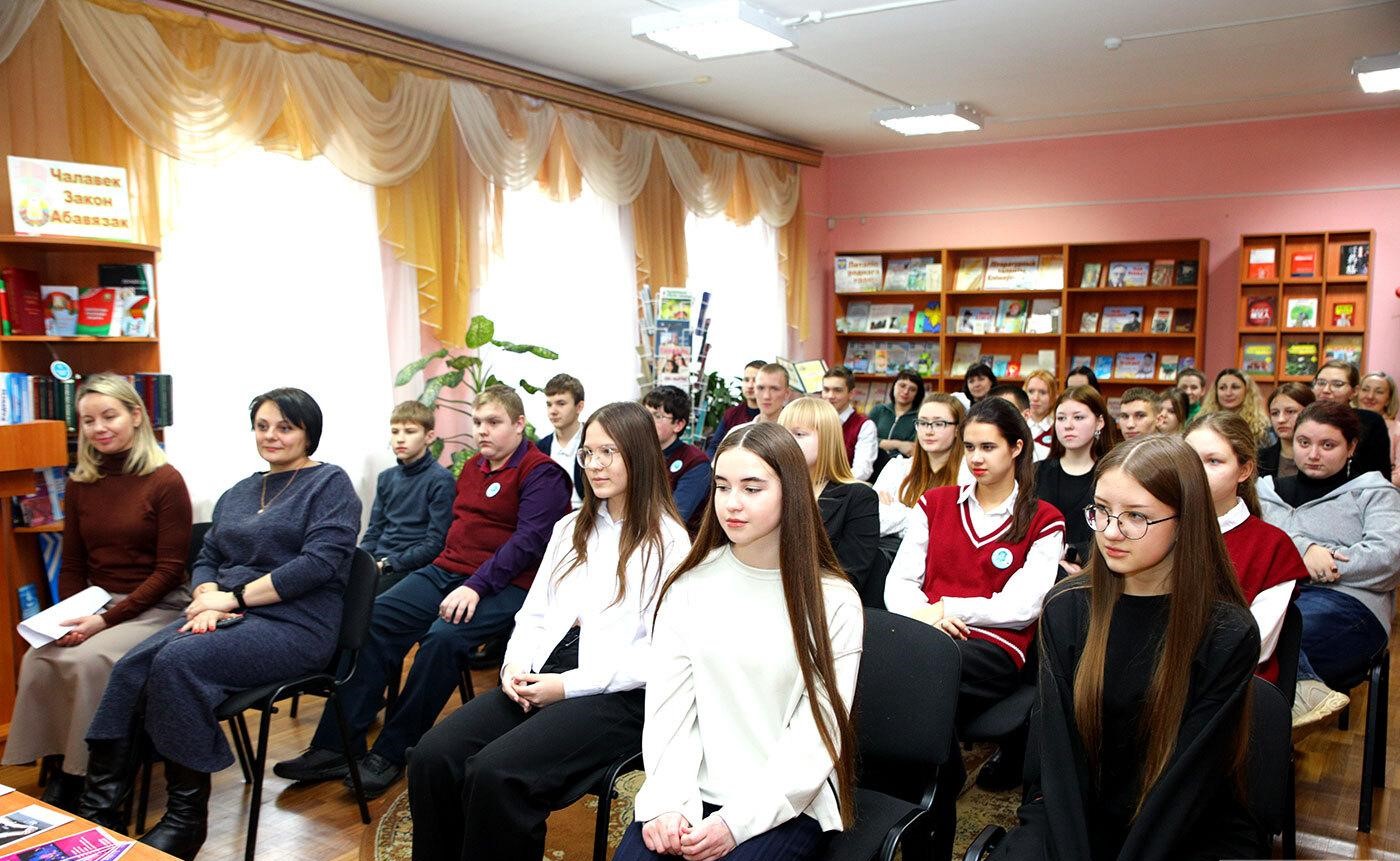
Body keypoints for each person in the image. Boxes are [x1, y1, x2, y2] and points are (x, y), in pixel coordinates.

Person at [80, 387, 361, 859]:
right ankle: (101, 811)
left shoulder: (330, 484)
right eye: (262, 426)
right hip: (230, 613)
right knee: (130, 667)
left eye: (285, 427)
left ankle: (185, 821)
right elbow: (208, 555)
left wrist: (231, 598)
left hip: (296, 624)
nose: (271, 436)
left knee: (177, 663)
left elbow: (318, 564)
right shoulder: (239, 491)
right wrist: (207, 594)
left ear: (309, 433)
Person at [407, 402, 691, 861]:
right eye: (588, 453)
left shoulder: (669, 541)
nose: (594, 465)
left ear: (639, 454)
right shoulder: (569, 528)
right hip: (545, 671)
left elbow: (659, 655)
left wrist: (565, 686)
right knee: (432, 756)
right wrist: (513, 666)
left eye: (608, 452)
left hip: (617, 694)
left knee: (498, 774)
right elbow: (533, 613)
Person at [274, 385, 571, 799]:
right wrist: (448, 575)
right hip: (448, 571)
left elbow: (528, 543)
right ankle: (335, 747)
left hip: (510, 584)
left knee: (442, 640)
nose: (482, 431)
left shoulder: (543, 473)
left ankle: (392, 752)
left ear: (519, 424)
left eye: (494, 422)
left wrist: (475, 585)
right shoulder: (473, 468)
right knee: (373, 619)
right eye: (478, 422)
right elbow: (457, 533)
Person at [993, 435, 1260, 861]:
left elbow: (1189, 780)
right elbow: (1056, 757)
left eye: (1136, 516)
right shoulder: (1067, 608)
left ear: (1185, 521)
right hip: (1078, 811)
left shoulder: (1227, 631)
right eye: (1101, 510)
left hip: (1183, 822)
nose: (1110, 532)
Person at [616, 423, 862, 861]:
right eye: (722, 486)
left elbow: (817, 736)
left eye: (752, 488)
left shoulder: (834, 601)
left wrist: (736, 823)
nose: (732, 503)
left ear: (791, 492)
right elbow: (669, 711)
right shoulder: (689, 584)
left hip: (786, 802)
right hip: (691, 790)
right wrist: (668, 803)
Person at [1, 374, 192, 810]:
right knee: (40, 657)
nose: (99, 428)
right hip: (97, 602)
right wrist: (65, 618)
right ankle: (59, 765)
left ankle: (86, 777)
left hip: (158, 606)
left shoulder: (166, 480)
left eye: (109, 416)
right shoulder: (80, 483)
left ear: (136, 416)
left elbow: (168, 572)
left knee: (89, 662)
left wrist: (103, 621)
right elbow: (72, 564)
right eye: (88, 421)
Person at [885, 397, 1064, 789]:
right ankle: (930, 785)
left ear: (1016, 448)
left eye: (988, 447)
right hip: (929, 630)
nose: (976, 458)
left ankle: (930, 788)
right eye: (969, 447)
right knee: (882, 659)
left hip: (995, 647)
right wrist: (930, 617)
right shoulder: (935, 503)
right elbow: (899, 582)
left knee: (921, 669)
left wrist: (948, 607)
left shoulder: (1044, 519)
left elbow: (1022, 606)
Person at [1258, 400, 1400, 729]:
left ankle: (1277, 724)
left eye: (1328, 445)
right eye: (1304, 442)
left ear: (1351, 447)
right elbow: (1252, 539)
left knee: (1278, 635)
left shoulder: (1374, 493)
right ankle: (1290, 709)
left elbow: (1388, 558)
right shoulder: (1265, 491)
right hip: (1274, 597)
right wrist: (1305, 551)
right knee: (1232, 635)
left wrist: (1321, 564)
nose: (1313, 454)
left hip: (1349, 605)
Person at [1185, 412, 1307, 685]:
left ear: (1244, 470)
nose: (1196, 471)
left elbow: (1254, 645)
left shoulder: (1272, 546)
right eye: (1189, 459)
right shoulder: (1160, 527)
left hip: (1229, 685)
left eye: (1213, 461)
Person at [778, 398, 880, 600]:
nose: (786, 441)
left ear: (827, 440)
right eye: (782, 433)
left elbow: (848, 576)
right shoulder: (768, 489)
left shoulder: (859, 498)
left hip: (818, 604)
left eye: (799, 434)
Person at [360, 401, 456, 594]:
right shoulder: (386, 477)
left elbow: (435, 543)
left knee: (363, 602)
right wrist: (362, 560)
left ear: (429, 436)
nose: (400, 439)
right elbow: (374, 530)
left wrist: (388, 564)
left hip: (410, 566)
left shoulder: (441, 480)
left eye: (410, 431)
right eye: (395, 432)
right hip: (378, 563)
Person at [1036, 385, 1113, 577]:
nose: (1068, 425)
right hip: (1039, 569)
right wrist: (1056, 560)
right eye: (1061, 418)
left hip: (1097, 573)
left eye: (1078, 417)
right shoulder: (1036, 472)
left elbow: (1117, 529)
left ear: (1099, 422)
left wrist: (1074, 553)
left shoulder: (1112, 475)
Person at [873, 395, 964, 539]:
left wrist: (896, 510)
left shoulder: (967, 474)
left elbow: (951, 531)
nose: (928, 431)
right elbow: (873, 520)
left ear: (958, 429)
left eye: (939, 424)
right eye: (922, 423)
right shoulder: (897, 467)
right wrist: (924, 520)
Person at [641, 385, 712, 533]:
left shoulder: (695, 462)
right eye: (645, 414)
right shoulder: (639, 454)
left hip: (678, 540)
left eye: (657, 416)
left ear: (678, 425)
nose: (647, 421)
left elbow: (675, 517)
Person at [1312, 360, 1393, 480]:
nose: (1326, 390)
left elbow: (1380, 475)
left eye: (1337, 384)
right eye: (1321, 383)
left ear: (1354, 391)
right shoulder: (1304, 417)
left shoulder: (1370, 421)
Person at [537, 374, 587, 508]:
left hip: (588, 515)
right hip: (549, 516)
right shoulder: (540, 448)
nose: (553, 411)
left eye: (561, 404)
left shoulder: (593, 443)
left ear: (579, 407)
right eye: (549, 405)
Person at [820, 366, 877, 481]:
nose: (830, 396)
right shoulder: (814, 420)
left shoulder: (865, 426)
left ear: (851, 393)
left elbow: (862, 471)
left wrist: (830, 482)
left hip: (843, 487)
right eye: (826, 390)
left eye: (838, 390)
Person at [705, 360, 764, 457]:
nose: (750, 385)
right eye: (746, 380)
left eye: (755, 380)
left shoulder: (776, 415)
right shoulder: (732, 414)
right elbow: (714, 447)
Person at [1257, 382, 1314, 480]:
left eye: (1290, 411)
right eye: (1275, 413)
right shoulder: (1259, 459)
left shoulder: (1319, 457)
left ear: (1310, 412)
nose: (1281, 420)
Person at [1198, 368, 1270, 445]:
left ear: (1247, 391)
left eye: (1235, 387)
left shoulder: (1261, 428)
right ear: (1216, 392)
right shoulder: (1202, 422)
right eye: (1222, 388)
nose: (1228, 393)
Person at [868, 370, 924, 461]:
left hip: (903, 466)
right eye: (902, 386)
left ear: (917, 394)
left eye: (912, 389)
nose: (906, 392)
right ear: (894, 386)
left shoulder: (920, 417)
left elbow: (912, 449)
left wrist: (880, 442)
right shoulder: (879, 410)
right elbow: (864, 439)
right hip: (872, 463)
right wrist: (898, 444)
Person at [1357, 370, 1400, 484]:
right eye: (1365, 390)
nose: (1370, 396)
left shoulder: (1397, 430)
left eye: (1379, 392)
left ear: (1388, 400)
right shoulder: (1344, 424)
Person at [1022, 370, 1057, 462]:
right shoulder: (1016, 424)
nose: (1035, 398)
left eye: (1043, 392)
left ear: (1053, 396)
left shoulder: (1058, 428)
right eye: (1031, 391)